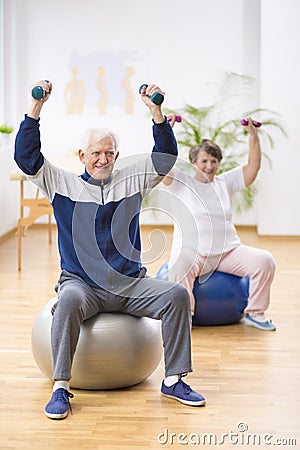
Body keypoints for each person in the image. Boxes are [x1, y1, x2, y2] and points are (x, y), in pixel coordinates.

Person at [14, 81, 206, 420]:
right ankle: (61, 387)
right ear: (82, 156)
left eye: (109, 153)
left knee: (176, 295)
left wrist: (156, 112)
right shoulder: (62, 185)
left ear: (117, 156)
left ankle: (174, 379)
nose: (102, 159)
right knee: (69, 300)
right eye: (95, 153)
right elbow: (26, 157)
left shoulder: (131, 179)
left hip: (130, 285)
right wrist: (36, 108)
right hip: (82, 286)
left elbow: (165, 158)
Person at [163, 115, 276, 331]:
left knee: (265, 261)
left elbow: (253, 166)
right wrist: (167, 132)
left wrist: (253, 135)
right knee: (178, 266)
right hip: (194, 252)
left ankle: (256, 313)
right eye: (204, 161)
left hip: (227, 252)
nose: (209, 166)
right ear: (194, 163)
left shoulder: (224, 182)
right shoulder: (181, 182)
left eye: (214, 161)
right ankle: (184, 318)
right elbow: (163, 164)